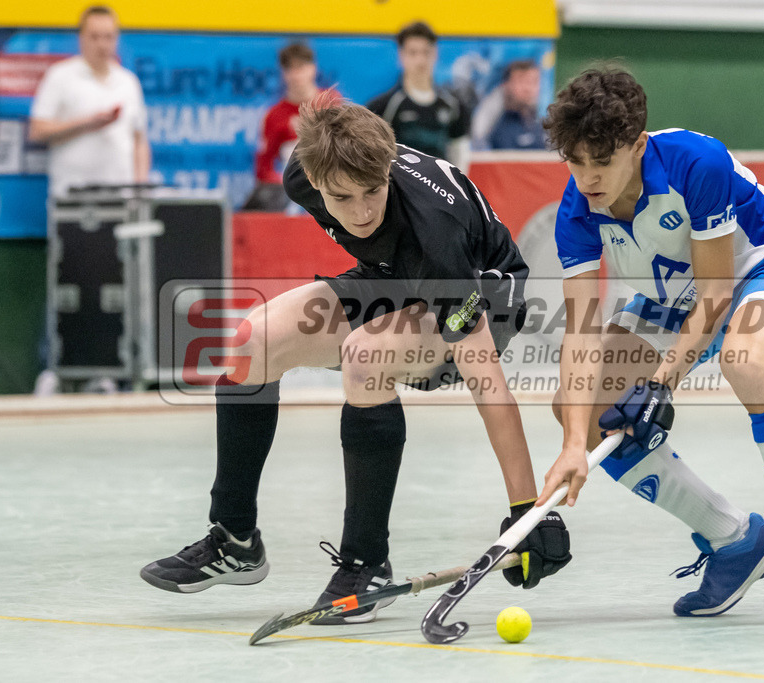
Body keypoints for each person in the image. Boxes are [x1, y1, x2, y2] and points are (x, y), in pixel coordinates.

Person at [140, 103, 571, 622]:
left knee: (366, 354)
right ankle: (235, 539)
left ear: (388, 171)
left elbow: (490, 386)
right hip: (394, 277)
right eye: (342, 198)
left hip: (485, 295)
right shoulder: (301, 174)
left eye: (373, 192)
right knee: (253, 342)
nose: (362, 212)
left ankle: (367, 562)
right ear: (314, 180)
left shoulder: (435, 234)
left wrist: (527, 513)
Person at [535, 68, 764, 625]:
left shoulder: (695, 164)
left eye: (602, 161)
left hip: (761, 268)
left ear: (638, 145)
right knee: (578, 410)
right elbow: (582, 331)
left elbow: (716, 295)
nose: (587, 178)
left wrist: (661, 381)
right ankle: (735, 541)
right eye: (575, 161)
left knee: (746, 362)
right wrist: (570, 445)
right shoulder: (577, 210)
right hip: (670, 297)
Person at [28, 5, 150, 196]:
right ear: (81, 38)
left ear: (117, 39)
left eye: (108, 37)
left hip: (121, 195)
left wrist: (140, 188)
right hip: (72, 195)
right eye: (95, 37)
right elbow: (37, 131)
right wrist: (87, 123)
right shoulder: (60, 76)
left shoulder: (128, 82)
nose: (102, 44)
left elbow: (139, 140)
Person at [243, 42, 342, 211]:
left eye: (301, 67)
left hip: (329, 184)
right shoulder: (274, 115)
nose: (296, 76)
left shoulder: (331, 103)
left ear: (313, 68)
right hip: (291, 190)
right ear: (283, 73)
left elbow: (344, 149)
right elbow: (264, 167)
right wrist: (288, 181)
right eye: (290, 69)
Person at [366, 21, 471, 171]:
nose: (420, 61)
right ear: (401, 56)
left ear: (435, 54)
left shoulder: (454, 106)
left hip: (439, 184)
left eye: (426, 52)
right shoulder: (382, 107)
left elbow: (460, 154)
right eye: (413, 53)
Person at [487, 60, 546, 151]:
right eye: (521, 81)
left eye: (534, 81)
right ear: (506, 85)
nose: (528, 88)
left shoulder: (542, 125)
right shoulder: (495, 127)